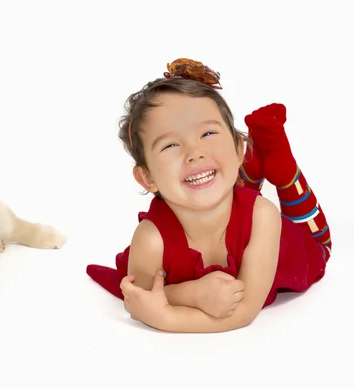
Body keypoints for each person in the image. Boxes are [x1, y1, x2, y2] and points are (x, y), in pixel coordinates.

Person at [85, 58, 332, 333]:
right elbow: (140, 297)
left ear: (239, 149)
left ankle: (280, 165)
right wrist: (193, 293)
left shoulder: (264, 216)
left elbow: (245, 310)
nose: (194, 153)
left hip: (294, 247)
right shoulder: (151, 240)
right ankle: (251, 169)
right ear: (148, 177)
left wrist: (167, 318)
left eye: (208, 133)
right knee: (218, 183)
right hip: (231, 201)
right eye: (171, 145)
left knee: (319, 245)